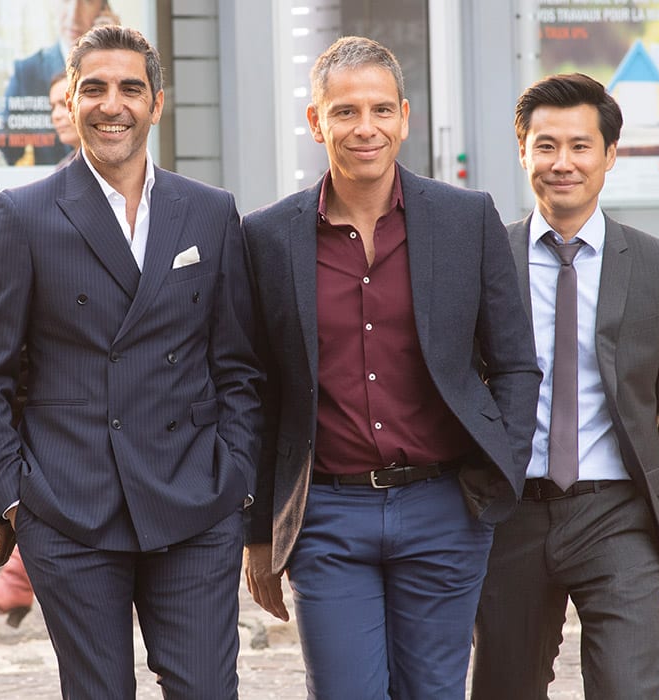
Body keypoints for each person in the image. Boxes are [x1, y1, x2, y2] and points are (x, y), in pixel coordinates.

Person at [0, 24, 262, 699]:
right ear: (71, 102)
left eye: (130, 88)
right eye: (93, 89)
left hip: (195, 499)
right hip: (70, 505)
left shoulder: (209, 212)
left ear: (157, 103)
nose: (111, 104)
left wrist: (236, 478)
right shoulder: (24, 215)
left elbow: (239, 365)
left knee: (208, 690)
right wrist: (14, 498)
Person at [241, 36, 541, 699]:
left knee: (433, 691)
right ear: (316, 121)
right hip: (326, 514)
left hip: (445, 508)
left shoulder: (467, 220)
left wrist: (499, 477)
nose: (365, 127)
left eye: (381, 109)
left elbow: (516, 365)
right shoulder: (267, 237)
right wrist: (259, 530)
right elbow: (255, 394)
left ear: (404, 117)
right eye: (345, 111)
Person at [470, 73, 659, 699]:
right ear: (522, 152)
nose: (563, 163)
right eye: (546, 146)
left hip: (618, 514)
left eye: (580, 146)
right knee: (504, 687)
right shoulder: (486, 259)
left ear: (609, 154)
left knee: (630, 687)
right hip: (511, 514)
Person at [0, 71, 82, 628]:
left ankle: (17, 582)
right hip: (49, 398)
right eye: (55, 104)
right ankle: (18, 580)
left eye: (64, 102)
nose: (59, 113)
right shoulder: (37, 200)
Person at [0, 0, 117, 166]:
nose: (74, 16)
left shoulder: (117, 66)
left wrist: (114, 50)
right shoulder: (28, 72)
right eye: (66, 1)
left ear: (103, 10)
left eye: (87, 1)